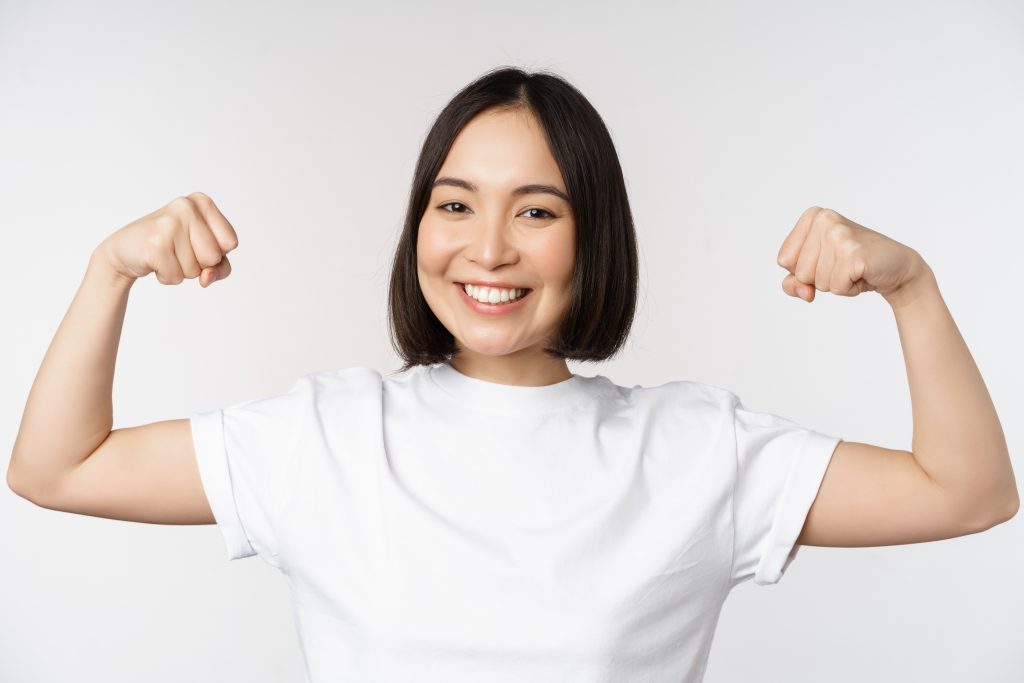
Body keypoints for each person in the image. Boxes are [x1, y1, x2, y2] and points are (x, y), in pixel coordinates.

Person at [8, 66, 1017, 683]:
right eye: (454, 205)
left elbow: (967, 492)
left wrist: (913, 288)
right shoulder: (328, 436)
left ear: (593, 238)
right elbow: (59, 466)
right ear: (418, 227)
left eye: (535, 210)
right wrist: (111, 270)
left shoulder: (694, 450)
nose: (486, 248)